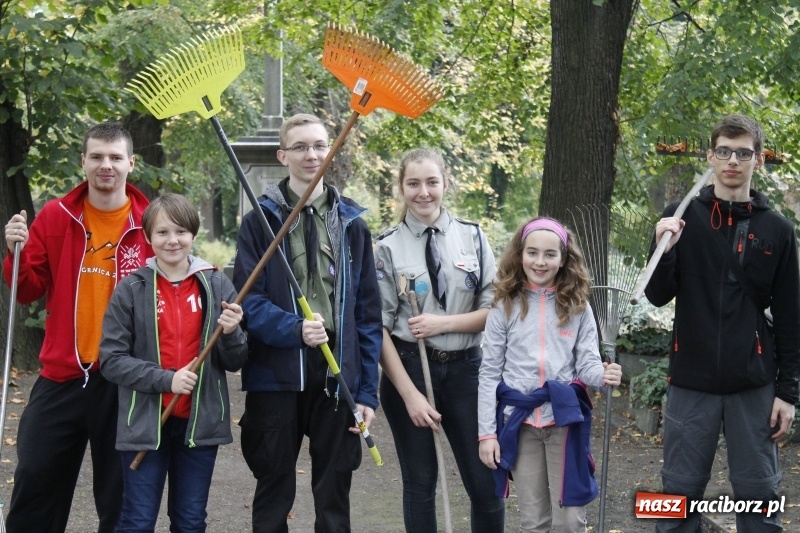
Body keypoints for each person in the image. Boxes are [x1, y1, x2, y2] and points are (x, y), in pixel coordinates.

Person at [644, 114, 800, 532]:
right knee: (676, 497)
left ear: (759, 160)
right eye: (725, 151)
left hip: (754, 385)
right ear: (711, 155)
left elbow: (790, 316)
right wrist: (663, 245)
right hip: (690, 381)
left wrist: (788, 393)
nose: (734, 160)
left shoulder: (778, 230)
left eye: (744, 153)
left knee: (760, 497)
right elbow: (657, 294)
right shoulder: (679, 216)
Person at [232, 113, 382, 532]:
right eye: (299, 147)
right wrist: (294, 328)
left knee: (334, 495)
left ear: (331, 151)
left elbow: (368, 316)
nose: (311, 154)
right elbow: (249, 301)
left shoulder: (352, 226)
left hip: (337, 373)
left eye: (319, 145)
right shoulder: (259, 223)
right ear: (283, 156)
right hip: (276, 371)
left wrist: (366, 391)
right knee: (273, 491)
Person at [2, 121, 152, 532]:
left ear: (130, 163)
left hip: (124, 380)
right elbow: (27, 290)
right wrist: (15, 251)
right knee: (36, 480)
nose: (106, 165)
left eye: (115, 157)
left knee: (121, 498)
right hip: (64, 374)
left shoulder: (150, 222)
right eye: (97, 157)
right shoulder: (56, 215)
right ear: (83, 161)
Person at [98, 193, 247, 532]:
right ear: (148, 237)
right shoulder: (131, 289)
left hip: (199, 426)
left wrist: (232, 332)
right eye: (162, 232)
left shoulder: (216, 282)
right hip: (146, 425)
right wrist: (167, 380)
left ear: (193, 234)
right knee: (137, 521)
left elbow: (236, 361)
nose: (172, 240)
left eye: (180, 231)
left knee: (190, 521)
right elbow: (112, 360)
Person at [374, 148, 505, 532]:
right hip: (410, 371)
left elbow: (496, 312)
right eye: (413, 183)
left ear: (446, 183)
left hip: (468, 373)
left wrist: (442, 324)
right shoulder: (386, 247)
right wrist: (410, 396)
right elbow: (377, 328)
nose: (423, 192)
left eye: (432, 182)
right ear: (401, 187)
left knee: (486, 483)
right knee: (420, 484)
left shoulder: (473, 237)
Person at [477, 216, 622, 533]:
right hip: (521, 422)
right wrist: (487, 434)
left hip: (563, 422)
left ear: (563, 259)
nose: (539, 262)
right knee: (534, 520)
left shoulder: (578, 307)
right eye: (532, 253)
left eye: (549, 254)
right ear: (520, 254)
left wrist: (603, 375)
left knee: (570, 519)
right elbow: (489, 373)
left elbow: (587, 364)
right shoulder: (505, 305)